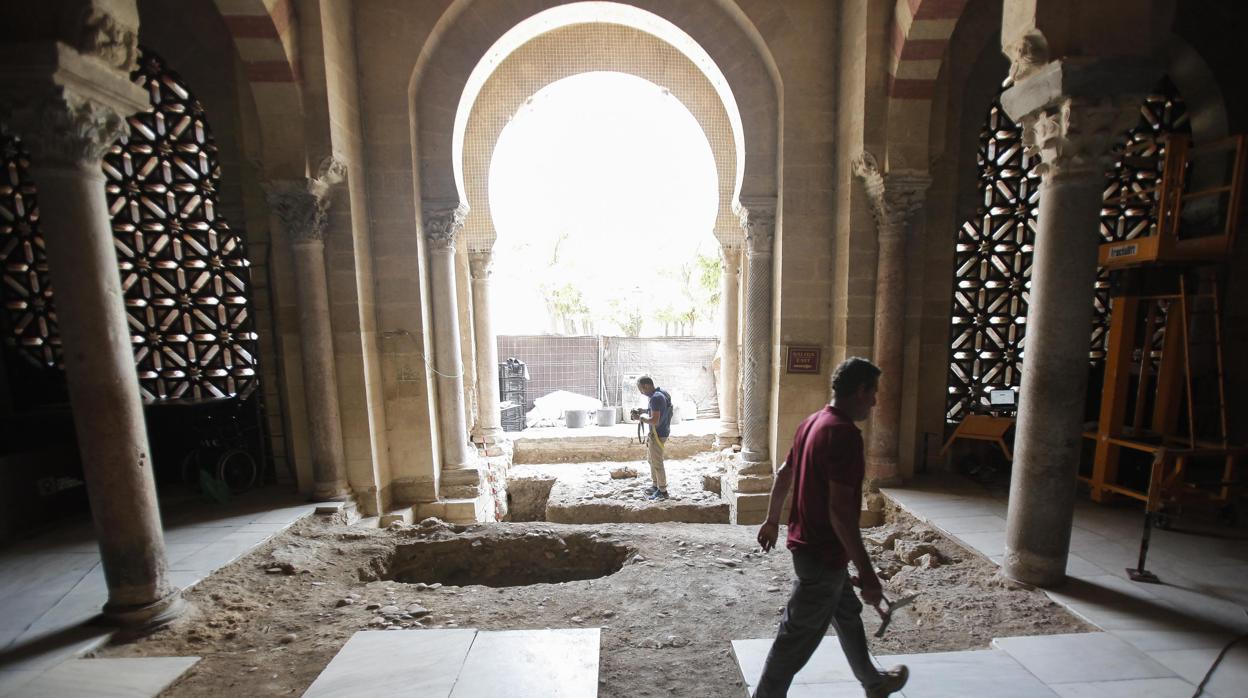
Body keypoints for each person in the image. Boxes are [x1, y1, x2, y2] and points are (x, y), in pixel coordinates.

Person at [752, 357, 908, 698]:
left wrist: (772, 519)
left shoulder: (812, 422)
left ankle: (874, 682)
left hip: (817, 551)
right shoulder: (844, 435)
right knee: (793, 641)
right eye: (873, 394)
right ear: (860, 390)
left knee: (848, 613)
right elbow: (840, 513)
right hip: (821, 554)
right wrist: (868, 573)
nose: (875, 402)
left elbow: (783, 473)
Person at [632, 376, 672, 501]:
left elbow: (655, 420)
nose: (641, 392)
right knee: (651, 460)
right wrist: (644, 410)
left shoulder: (655, 398)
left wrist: (640, 418)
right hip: (659, 432)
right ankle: (656, 485)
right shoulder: (660, 394)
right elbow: (659, 410)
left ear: (647, 386)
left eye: (641, 389)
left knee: (657, 462)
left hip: (658, 434)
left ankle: (663, 491)